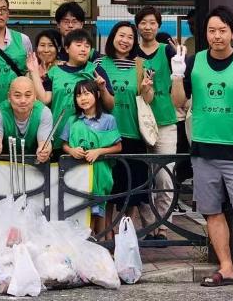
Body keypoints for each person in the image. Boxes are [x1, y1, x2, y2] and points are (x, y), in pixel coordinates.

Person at [170, 5, 233, 292]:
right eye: (211, 31)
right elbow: (178, 102)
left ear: (232, 33)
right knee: (212, 212)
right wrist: (177, 76)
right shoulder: (194, 62)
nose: (217, 36)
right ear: (205, 33)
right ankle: (226, 268)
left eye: (222, 31)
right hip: (203, 152)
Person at [95, 21, 156, 230]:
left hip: (133, 135)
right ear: (112, 37)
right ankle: (107, 234)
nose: (125, 41)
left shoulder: (141, 65)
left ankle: (124, 232)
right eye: (121, 36)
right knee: (109, 191)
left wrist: (147, 88)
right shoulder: (100, 64)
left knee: (131, 192)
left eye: (130, 37)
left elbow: (148, 99)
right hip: (106, 136)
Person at [135, 6, 181, 236]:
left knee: (164, 176)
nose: (148, 26)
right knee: (143, 177)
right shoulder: (132, 53)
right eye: (143, 22)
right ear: (138, 25)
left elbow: (181, 78)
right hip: (138, 123)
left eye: (152, 22)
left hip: (164, 121)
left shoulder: (168, 52)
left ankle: (163, 225)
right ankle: (148, 224)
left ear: (159, 25)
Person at [28, 28, 114, 150]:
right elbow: (45, 100)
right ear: (67, 48)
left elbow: (110, 106)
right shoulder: (54, 72)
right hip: (59, 135)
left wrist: (103, 89)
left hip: (90, 139)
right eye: (78, 45)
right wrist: (34, 72)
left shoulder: (96, 70)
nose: (84, 49)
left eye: (87, 46)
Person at [61, 80, 122, 234]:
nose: (83, 98)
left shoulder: (109, 120)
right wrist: (72, 151)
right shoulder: (72, 121)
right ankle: (85, 247)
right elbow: (64, 144)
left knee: (99, 209)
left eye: (87, 93)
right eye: (79, 95)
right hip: (78, 173)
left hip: (101, 173)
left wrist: (98, 151)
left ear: (97, 94)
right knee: (81, 210)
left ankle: (100, 245)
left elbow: (118, 146)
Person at [0, 76, 54, 163]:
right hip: (5, 165)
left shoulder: (44, 112)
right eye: (17, 95)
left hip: (34, 165)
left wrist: (44, 152)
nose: (23, 100)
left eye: (28, 95)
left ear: (35, 97)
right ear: (9, 97)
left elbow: (44, 143)